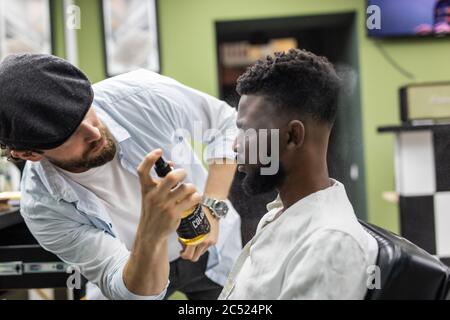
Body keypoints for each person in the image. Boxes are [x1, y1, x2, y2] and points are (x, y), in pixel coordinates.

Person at [0, 53, 242, 300]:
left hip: (213, 246)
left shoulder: (143, 94)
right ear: (29, 154)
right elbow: (131, 293)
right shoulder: (43, 208)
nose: (94, 131)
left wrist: (213, 207)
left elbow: (227, 124)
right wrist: (152, 233)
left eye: (86, 109)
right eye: (69, 134)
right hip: (137, 268)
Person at [219, 49, 378, 300]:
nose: (235, 146)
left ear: (292, 136)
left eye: (247, 131)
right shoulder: (280, 214)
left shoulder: (328, 245)